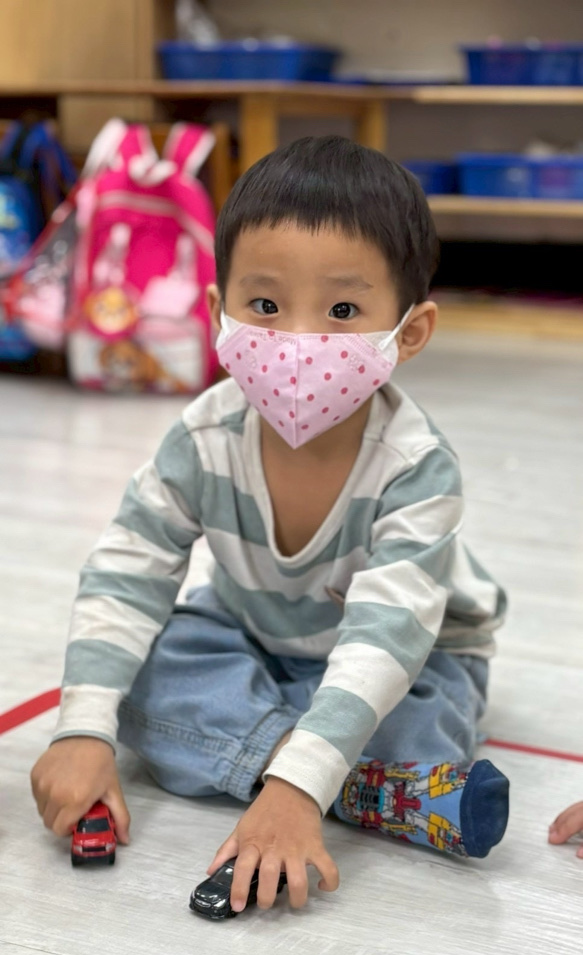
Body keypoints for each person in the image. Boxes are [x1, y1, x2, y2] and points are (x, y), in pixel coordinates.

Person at [31, 135, 510, 914]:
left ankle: (278, 762)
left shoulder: (416, 466)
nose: (295, 341)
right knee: (139, 677)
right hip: (252, 624)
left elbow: (385, 640)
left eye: (342, 311)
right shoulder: (202, 437)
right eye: (264, 306)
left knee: (419, 714)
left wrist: (291, 791)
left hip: (409, 651)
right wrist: (82, 729)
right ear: (217, 313)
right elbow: (128, 569)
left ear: (409, 332)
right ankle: (363, 788)